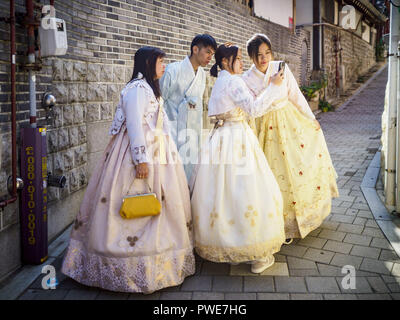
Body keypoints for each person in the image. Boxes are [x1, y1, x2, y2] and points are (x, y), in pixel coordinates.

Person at [61, 47, 195, 294]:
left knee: (159, 205)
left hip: (158, 153)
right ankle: (123, 266)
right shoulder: (136, 90)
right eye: (161, 61)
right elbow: (134, 125)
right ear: (147, 62)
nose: (164, 66)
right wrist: (140, 160)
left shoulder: (149, 89)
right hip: (136, 155)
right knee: (130, 201)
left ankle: (156, 262)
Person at [191, 43, 286, 274]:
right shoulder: (233, 82)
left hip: (220, 139)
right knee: (249, 190)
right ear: (225, 62)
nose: (243, 63)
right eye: (239, 59)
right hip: (237, 139)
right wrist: (273, 87)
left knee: (223, 194)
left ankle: (229, 245)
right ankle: (259, 254)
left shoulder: (220, 81)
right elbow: (253, 109)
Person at [242, 34, 339, 242]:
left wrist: (311, 118)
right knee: (273, 176)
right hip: (264, 130)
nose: (263, 59)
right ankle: (276, 223)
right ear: (251, 57)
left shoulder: (280, 68)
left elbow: (295, 95)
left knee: (297, 169)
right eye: (258, 55)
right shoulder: (246, 79)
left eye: (267, 53)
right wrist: (271, 86)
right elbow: (253, 109)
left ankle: (301, 219)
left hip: (289, 122)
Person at [160, 34, 217, 182]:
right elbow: (159, 100)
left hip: (192, 131)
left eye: (212, 54)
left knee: (189, 173)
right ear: (195, 49)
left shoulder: (202, 76)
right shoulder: (173, 70)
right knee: (171, 175)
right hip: (171, 129)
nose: (210, 57)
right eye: (208, 52)